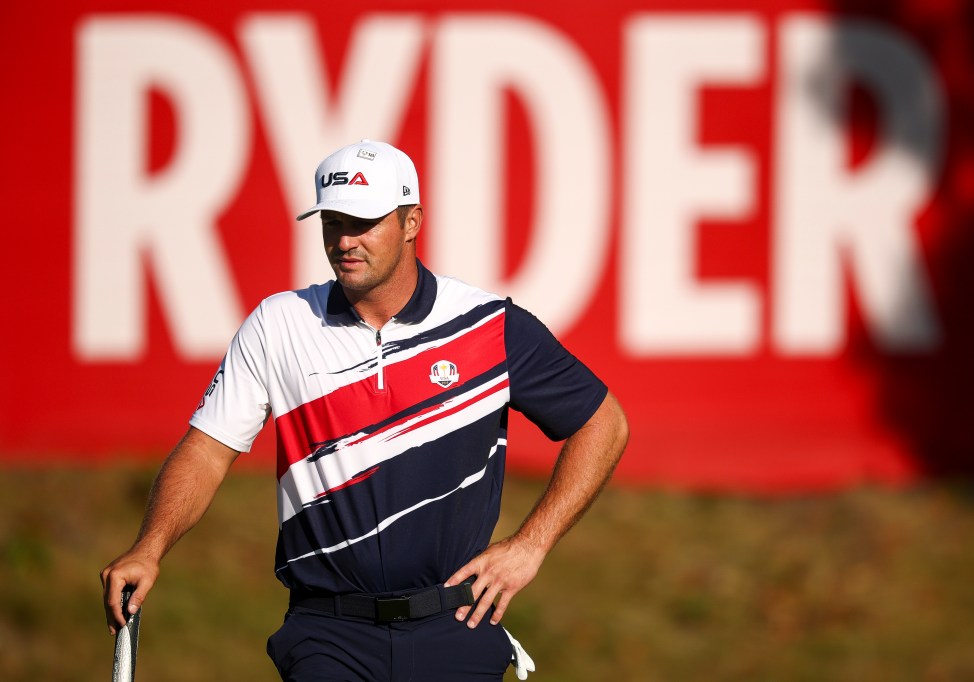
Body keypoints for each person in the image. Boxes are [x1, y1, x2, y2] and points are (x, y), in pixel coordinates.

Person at [100, 139, 629, 680]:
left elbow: (602, 421)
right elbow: (208, 451)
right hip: (328, 634)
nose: (345, 241)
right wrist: (150, 547)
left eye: (364, 222)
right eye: (332, 222)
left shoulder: (488, 324)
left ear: (411, 221)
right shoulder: (279, 324)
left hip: (456, 626)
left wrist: (530, 545)